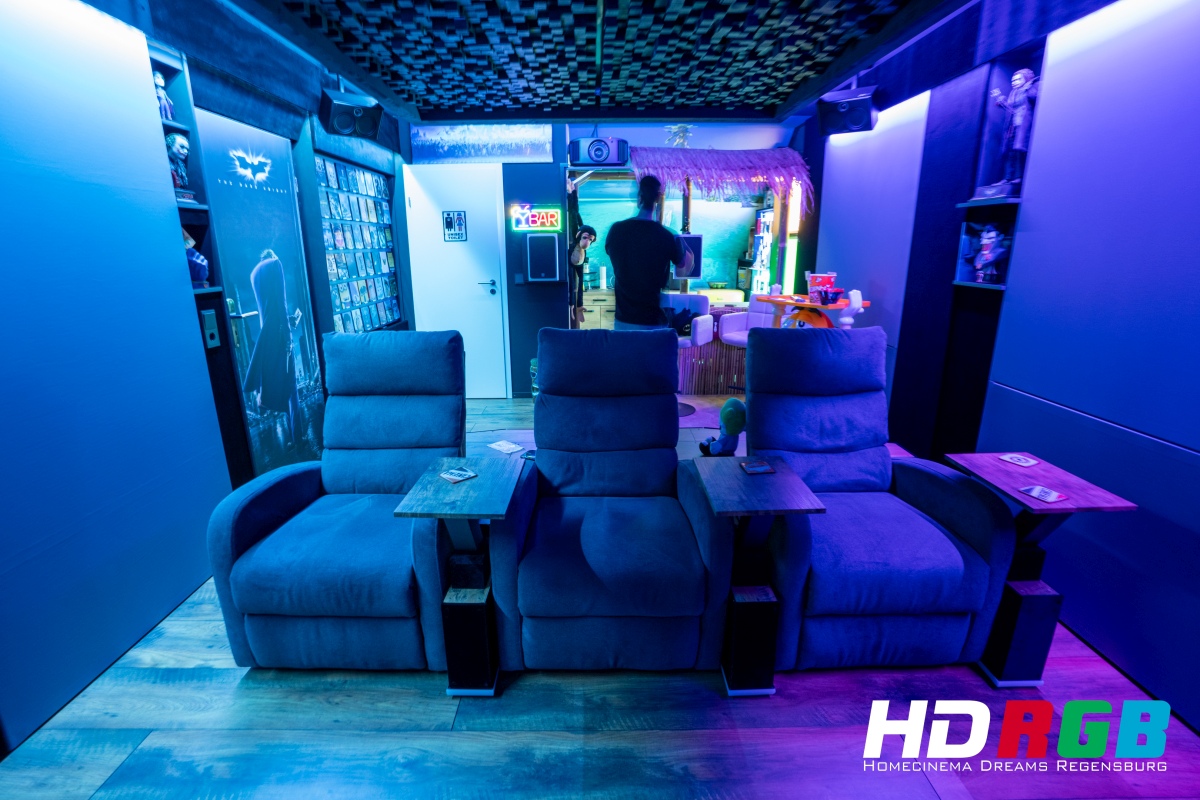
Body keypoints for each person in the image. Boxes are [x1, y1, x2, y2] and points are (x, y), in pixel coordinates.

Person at [603, 175, 693, 329]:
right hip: (653, 321)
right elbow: (683, 270)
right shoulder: (667, 236)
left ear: (639, 197)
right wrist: (685, 247)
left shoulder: (616, 230)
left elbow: (616, 258)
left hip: (624, 320)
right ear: (657, 199)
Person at [990, 68, 1039, 185]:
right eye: (1013, 80)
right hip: (1012, 126)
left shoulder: (1030, 89)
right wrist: (1001, 100)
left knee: (1019, 151)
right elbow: (1011, 109)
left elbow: (1034, 99)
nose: (1014, 82)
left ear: (1026, 79)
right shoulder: (1014, 93)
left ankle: (1020, 176)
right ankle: (1007, 177)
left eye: (1017, 79)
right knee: (1010, 152)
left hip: (1024, 125)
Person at [565, 177, 596, 326]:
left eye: (591, 239)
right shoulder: (575, 233)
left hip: (580, 261)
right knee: (572, 283)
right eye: (586, 238)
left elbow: (577, 214)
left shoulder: (584, 245)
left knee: (580, 282)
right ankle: (571, 305)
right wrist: (571, 194)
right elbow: (573, 213)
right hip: (572, 260)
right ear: (580, 235)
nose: (587, 241)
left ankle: (579, 306)